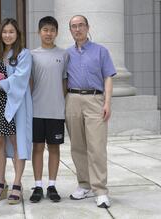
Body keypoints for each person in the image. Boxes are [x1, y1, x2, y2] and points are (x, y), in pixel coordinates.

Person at [66, 15, 116, 208]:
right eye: (73, 26)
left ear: (87, 27)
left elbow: (108, 77)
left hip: (95, 99)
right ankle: (84, 184)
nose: (77, 29)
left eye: (80, 25)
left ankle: (101, 190)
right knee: (77, 146)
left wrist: (107, 103)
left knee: (96, 147)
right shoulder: (67, 54)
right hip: (72, 99)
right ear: (70, 30)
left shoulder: (101, 51)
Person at [0, 18, 32, 205]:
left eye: (11, 31)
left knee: (17, 142)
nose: (8, 35)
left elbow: (20, 78)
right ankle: (1, 184)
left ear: (17, 34)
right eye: (4, 32)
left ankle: (17, 184)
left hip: (15, 104)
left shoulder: (24, 54)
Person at [29, 16, 69, 203]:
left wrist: (60, 102)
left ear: (56, 32)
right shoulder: (32, 55)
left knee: (54, 148)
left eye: (52, 30)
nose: (49, 33)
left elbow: (65, 82)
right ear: (39, 32)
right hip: (36, 110)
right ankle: (38, 185)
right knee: (37, 147)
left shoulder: (63, 54)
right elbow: (29, 83)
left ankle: (51, 185)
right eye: (45, 30)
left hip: (56, 111)